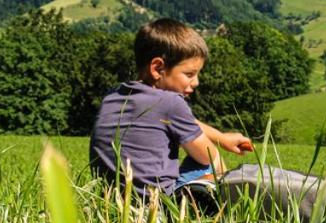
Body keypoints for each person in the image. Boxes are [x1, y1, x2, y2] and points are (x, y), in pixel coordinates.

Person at [89, 18, 253, 197]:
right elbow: (206, 156)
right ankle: (223, 209)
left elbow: (185, 122)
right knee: (212, 160)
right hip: (156, 205)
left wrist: (221, 138)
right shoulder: (171, 103)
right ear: (158, 68)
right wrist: (216, 148)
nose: (196, 82)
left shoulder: (113, 96)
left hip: (112, 201)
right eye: (189, 74)